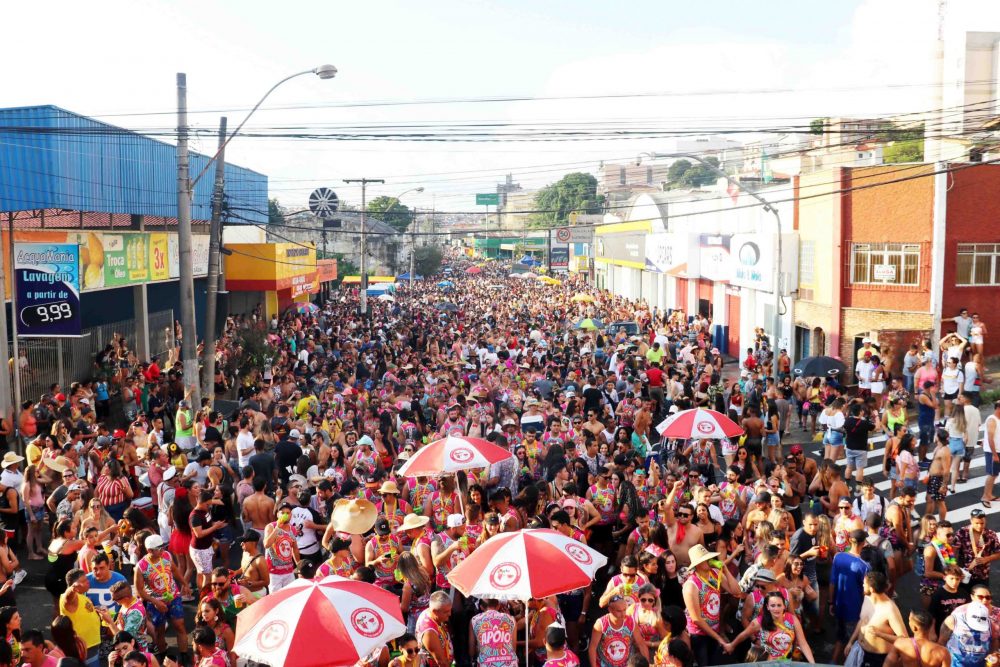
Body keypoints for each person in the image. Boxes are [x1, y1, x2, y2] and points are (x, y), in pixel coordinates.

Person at [681, 544, 738, 667]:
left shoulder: (715, 574)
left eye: (709, 558)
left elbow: (736, 591)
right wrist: (719, 638)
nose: (709, 561)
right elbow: (696, 619)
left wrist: (725, 570)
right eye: (704, 559)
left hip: (714, 630)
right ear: (697, 564)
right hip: (699, 634)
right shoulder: (691, 585)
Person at [134, 534, 190, 658]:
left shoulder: (166, 556)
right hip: (156, 603)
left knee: (180, 625)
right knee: (160, 631)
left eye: (163, 547)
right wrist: (155, 602)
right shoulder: (141, 566)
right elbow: (139, 591)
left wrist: (185, 583)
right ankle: (163, 655)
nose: (162, 550)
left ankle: (185, 656)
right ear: (149, 551)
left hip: (173, 596)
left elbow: (174, 570)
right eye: (159, 548)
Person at [723, 590, 814, 662]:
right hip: (766, 663)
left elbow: (803, 644)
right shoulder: (759, 622)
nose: (776, 609)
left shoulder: (792, 620)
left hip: (786, 663)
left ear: (784, 606)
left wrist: (813, 664)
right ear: (767, 607)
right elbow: (744, 635)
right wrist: (732, 645)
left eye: (779, 605)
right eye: (773, 605)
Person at [847, 571, 908, 667]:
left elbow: (904, 639)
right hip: (859, 650)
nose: (862, 585)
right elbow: (863, 620)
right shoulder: (867, 598)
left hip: (877, 659)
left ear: (871, 589)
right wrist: (851, 642)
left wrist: (880, 634)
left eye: (864, 583)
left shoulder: (890, 610)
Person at [830, 529, 871, 664]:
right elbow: (865, 591)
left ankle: (833, 663)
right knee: (852, 643)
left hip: (838, 606)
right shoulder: (864, 565)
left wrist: (831, 602)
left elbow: (832, 583)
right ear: (863, 543)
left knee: (840, 637)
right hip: (854, 610)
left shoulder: (838, 557)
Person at [939, 589, 998, 667]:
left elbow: (994, 640)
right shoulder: (952, 621)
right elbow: (941, 642)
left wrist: (992, 655)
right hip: (955, 664)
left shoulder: (991, 625)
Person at [589, 594, 649, 667]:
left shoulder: (631, 622)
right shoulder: (600, 624)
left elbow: (641, 644)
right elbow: (593, 647)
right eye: (619, 611)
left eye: (624, 610)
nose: (623, 614)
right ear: (610, 610)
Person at [59, 568, 104, 666]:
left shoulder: (81, 596)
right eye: (83, 581)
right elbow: (68, 598)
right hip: (83, 647)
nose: (88, 582)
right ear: (74, 584)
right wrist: (72, 589)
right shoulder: (69, 598)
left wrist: (94, 609)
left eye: (86, 579)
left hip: (91, 644)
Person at [884, 610, 951, 667]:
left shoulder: (900, 644)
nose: (908, 622)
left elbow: (887, 665)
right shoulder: (943, 652)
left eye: (909, 620)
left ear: (914, 628)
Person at [469, 598, 517, 667]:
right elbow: (513, 649)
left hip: (485, 664)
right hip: (510, 664)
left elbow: (471, 652)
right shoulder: (511, 619)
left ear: (481, 607)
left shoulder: (474, 620)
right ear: (498, 606)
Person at [416, 591, 453, 667]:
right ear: (435, 612)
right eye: (446, 612)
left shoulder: (430, 613)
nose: (450, 614)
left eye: (450, 610)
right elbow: (441, 662)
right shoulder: (429, 633)